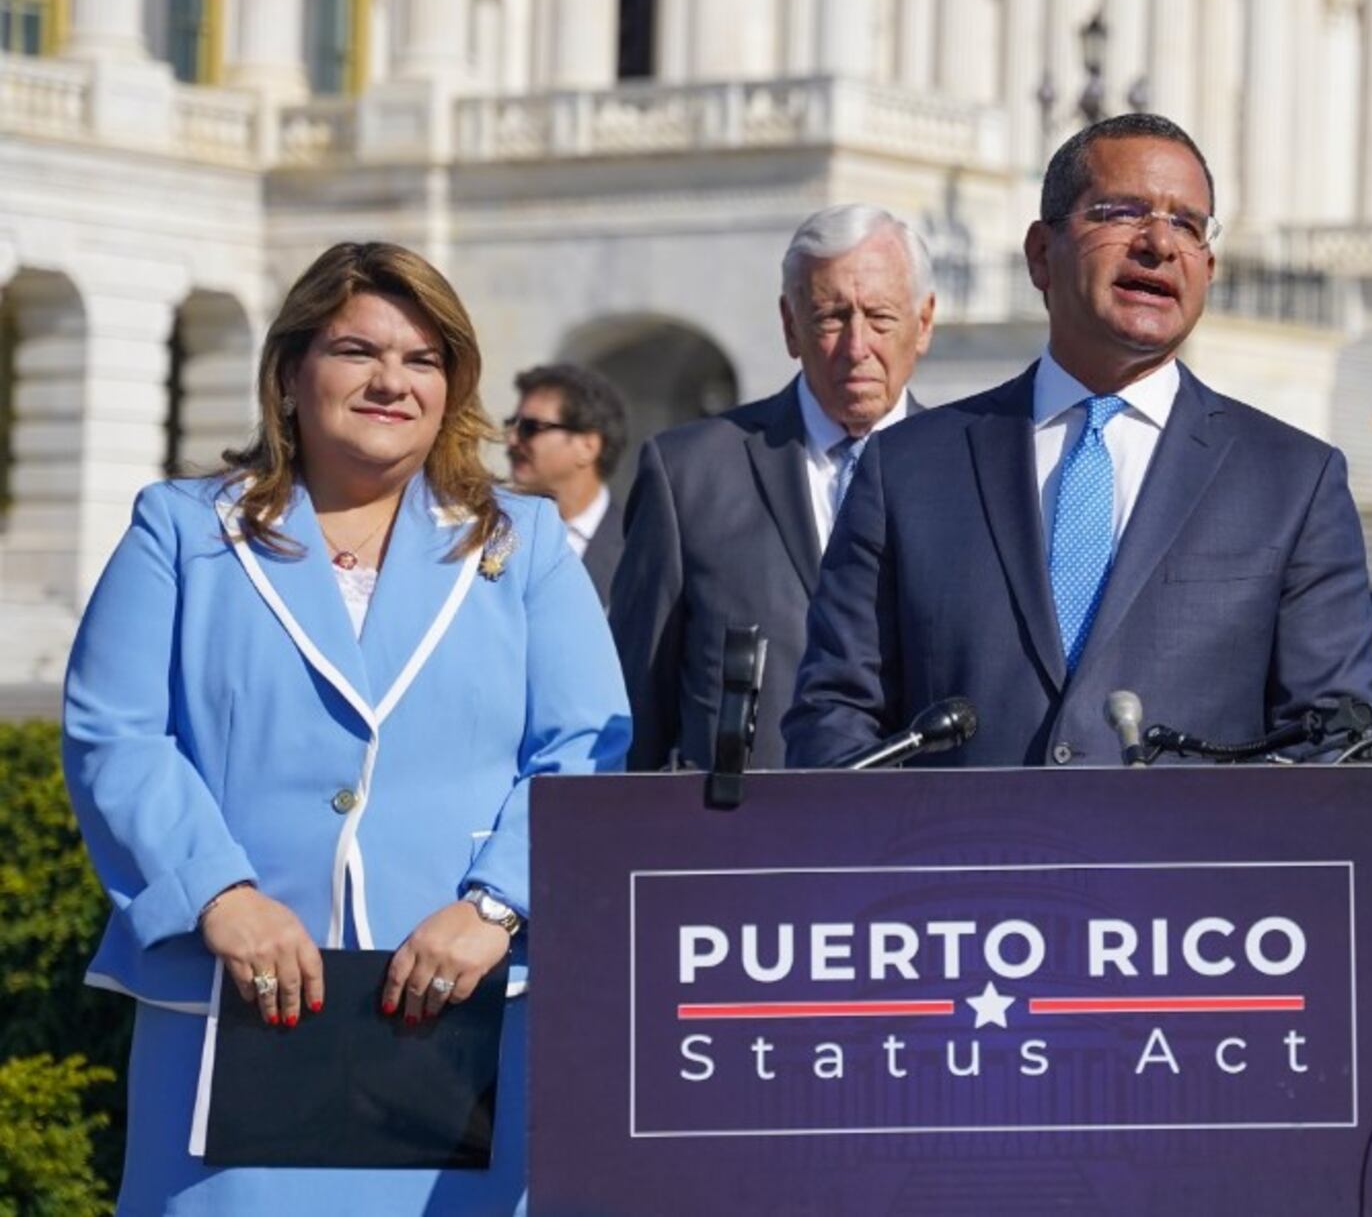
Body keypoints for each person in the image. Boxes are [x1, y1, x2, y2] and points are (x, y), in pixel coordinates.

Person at [60, 241, 630, 1214]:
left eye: (422, 360)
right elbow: (113, 732)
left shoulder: (522, 543)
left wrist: (496, 905)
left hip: (460, 1012)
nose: (391, 381)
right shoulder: (180, 529)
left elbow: (586, 748)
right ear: (289, 372)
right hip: (238, 1000)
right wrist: (217, 893)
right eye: (357, 351)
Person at [788, 113, 1372, 768]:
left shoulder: (1294, 481)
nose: (1159, 242)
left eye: (1188, 224)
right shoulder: (908, 467)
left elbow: (1333, 743)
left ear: (1208, 268)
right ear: (1042, 253)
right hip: (950, 866)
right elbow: (835, 714)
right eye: (1122, 212)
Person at [611, 203, 935, 769]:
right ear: (790, 325)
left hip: (922, 833)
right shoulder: (690, 474)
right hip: (739, 837)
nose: (857, 347)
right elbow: (637, 703)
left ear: (924, 323)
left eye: (880, 318)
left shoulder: (971, 473)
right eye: (831, 318)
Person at [506, 361, 630, 597]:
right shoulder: (491, 530)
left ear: (588, 446)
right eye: (512, 425)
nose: (512, 440)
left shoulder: (635, 548)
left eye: (530, 428)